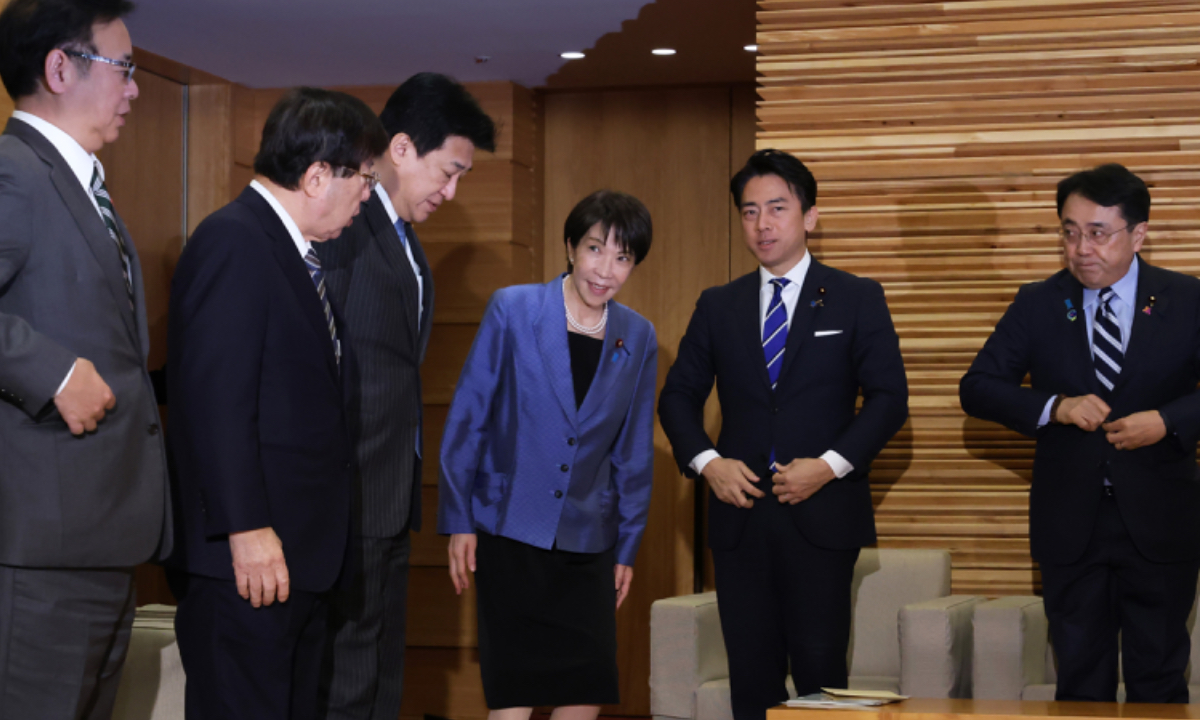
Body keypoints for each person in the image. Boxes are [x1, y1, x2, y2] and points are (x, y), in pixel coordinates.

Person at [658, 149, 908, 720]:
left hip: (822, 515)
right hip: (738, 513)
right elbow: (677, 396)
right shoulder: (718, 306)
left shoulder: (856, 296)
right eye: (749, 212)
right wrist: (706, 461)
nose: (762, 224)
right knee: (751, 676)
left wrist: (829, 464)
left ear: (809, 215)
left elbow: (889, 399)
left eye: (777, 208)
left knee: (821, 675)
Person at [165, 87, 388, 720]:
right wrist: (245, 528)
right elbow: (215, 399)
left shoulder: (295, 254)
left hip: (295, 563)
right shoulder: (234, 241)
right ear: (318, 176)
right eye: (365, 180)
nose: (367, 198)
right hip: (249, 561)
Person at [960, 163, 1200, 703]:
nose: (1081, 247)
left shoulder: (1187, 300)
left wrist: (1168, 420)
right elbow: (977, 387)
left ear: (1137, 233)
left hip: (1161, 524)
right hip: (1070, 526)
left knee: (1159, 679)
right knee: (1080, 683)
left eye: (1097, 232)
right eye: (1069, 232)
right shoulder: (1039, 303)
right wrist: (1055, 407)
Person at [0, 1, 172, 717]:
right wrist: (52, 372)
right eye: (124, 69)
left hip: (98, 540)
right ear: (59, 67)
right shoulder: (15, 173)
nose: (134, 90)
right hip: (40, 548)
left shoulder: (81, 183)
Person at [315, 73, 496, 720]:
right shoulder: (348, 233)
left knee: (378, 670)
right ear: (398, 148)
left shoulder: (403, 241)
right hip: (350, 495)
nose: (450, 191)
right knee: (347, 677)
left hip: (387, 498)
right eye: (447, 172)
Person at [438, 190, 656, 720]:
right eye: (595, 249)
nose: (605, 269)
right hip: (510, 531)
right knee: (515, 697)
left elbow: (633, 451)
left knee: (587, 690)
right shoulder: (514, 309)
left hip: (589, 543)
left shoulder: (638, 336)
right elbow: (469, 415)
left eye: (623, 257)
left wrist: (627, 547)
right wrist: (459, 519)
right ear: (570, 247)